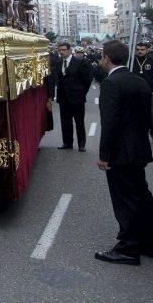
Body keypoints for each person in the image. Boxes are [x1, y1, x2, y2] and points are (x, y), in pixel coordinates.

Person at [94, 40, 153, 265]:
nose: (101, 60)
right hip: (139, 150)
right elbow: (148, 119)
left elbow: (110, 124)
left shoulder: (111, 83)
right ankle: (148, 241)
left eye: (102, 56)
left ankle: (128, 249)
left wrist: (104, 155)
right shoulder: (140, 81)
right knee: (142, 197)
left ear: (107, 58)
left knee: (126, 201)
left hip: (120, 154)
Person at [51, 42, 94, 151]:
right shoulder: (58, 63)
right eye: (59, 50)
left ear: (70, 50)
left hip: (77, 97)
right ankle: (67, 143)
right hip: (63, 98)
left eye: (64, 49)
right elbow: (57, 79)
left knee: (79, 122)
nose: (61, 52)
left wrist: (82, 92)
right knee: (65, 122)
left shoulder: (80, 62)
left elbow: (87, 79)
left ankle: (81, 145)